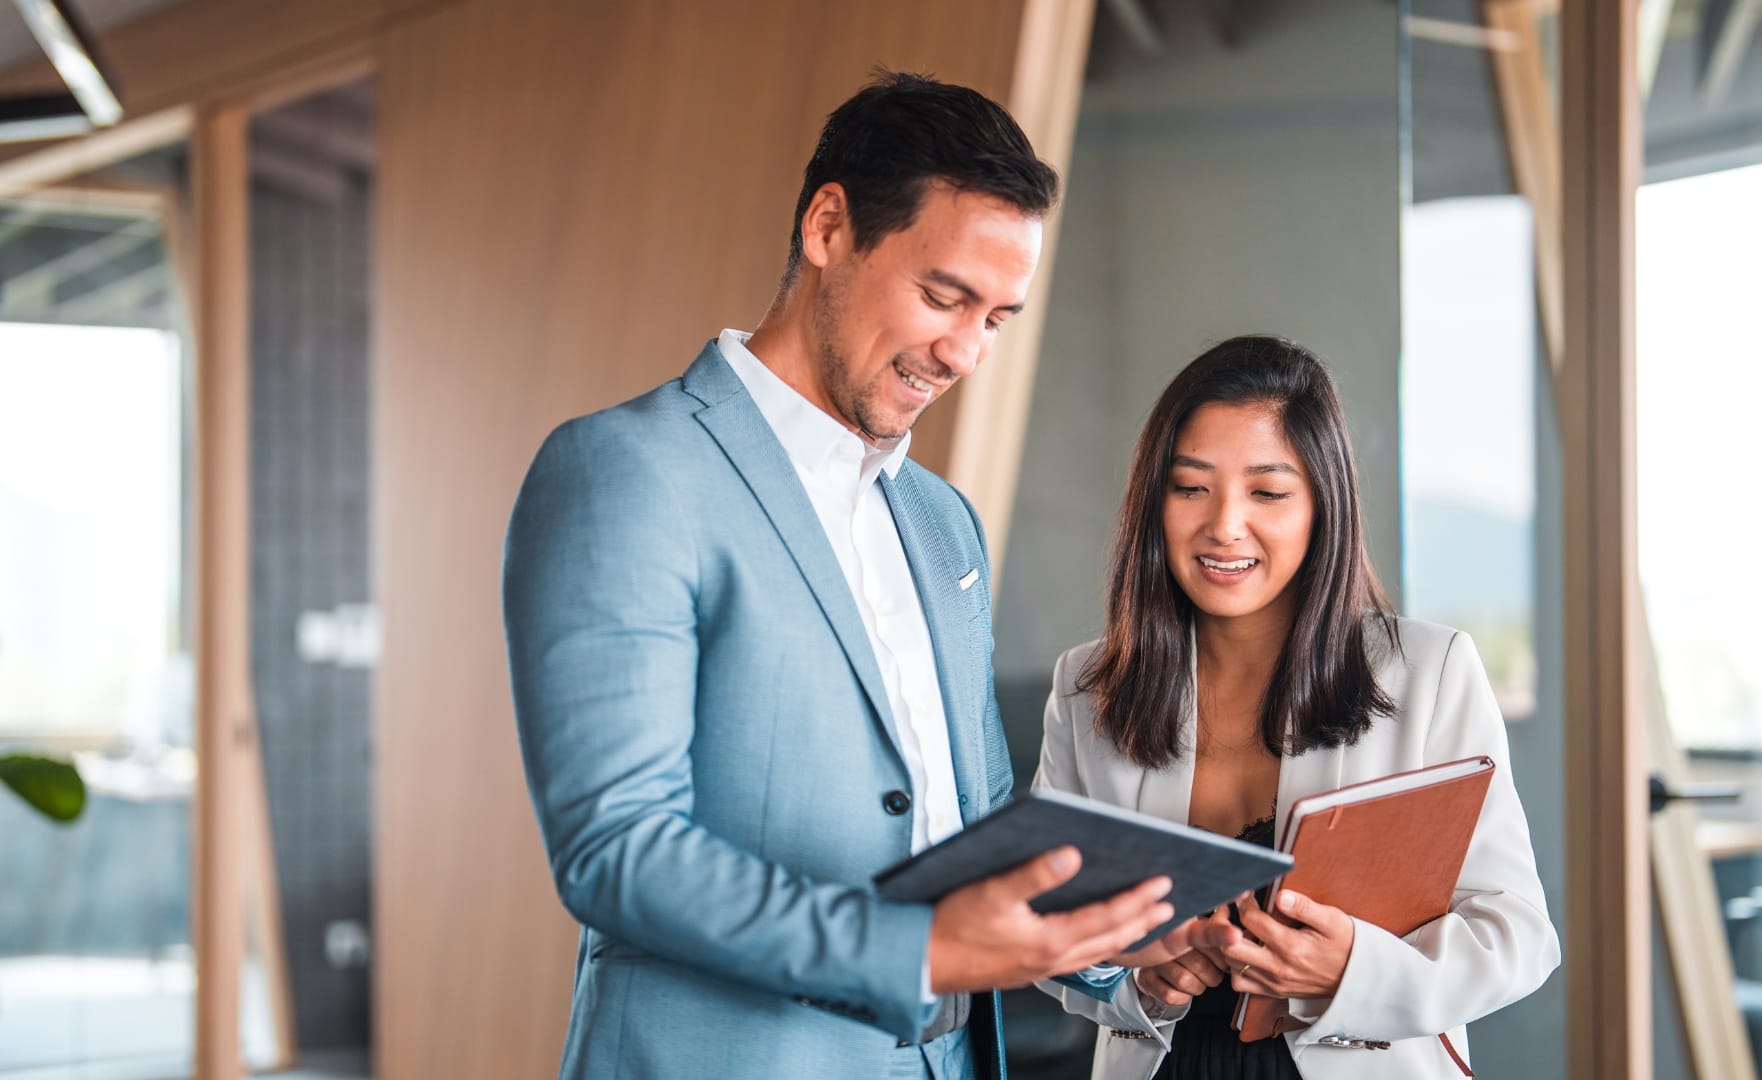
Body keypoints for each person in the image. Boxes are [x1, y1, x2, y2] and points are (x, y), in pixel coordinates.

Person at [503, 72, 1184, 1080]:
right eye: (943, 297)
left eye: (997, 318)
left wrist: (1125, 959)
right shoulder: (628, 471)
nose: (964, 352)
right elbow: (618, 848)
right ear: (828, 226)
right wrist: (920, 952)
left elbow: (974, 822)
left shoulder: (944, 523)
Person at [1032, 336, 1560, 1079]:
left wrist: (1352, 969)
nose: (1224, 525)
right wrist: (1131, 978)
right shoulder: (1088, 686)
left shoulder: (1430, 671)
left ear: (1322, 507)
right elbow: (1045, 926)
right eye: (1191, 487)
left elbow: (1517, 934)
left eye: (1268, 493)